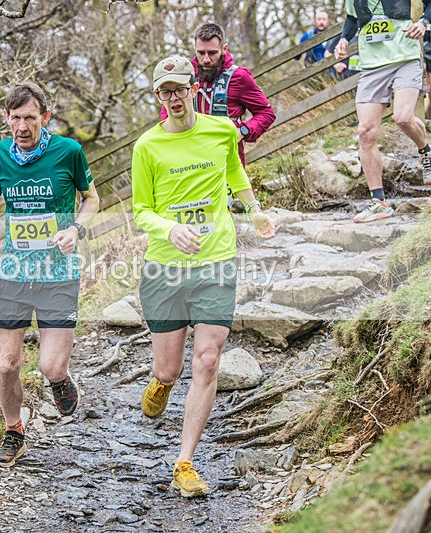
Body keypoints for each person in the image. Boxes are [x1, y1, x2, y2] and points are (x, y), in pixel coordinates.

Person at [0, 82, 99, 468]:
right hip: (13, 272)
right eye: (15, 118)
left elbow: (92, 198)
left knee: (51, 366)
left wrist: (76, 230)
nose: (22, 126)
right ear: (6, 118)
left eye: (30, 117)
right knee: (7, 363)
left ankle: (59, 379)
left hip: (58, 272)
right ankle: (14, 433)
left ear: (45, 117)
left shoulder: (68, 152)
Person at [134, 54, 275, 497]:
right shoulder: (147, 147)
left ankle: (185, 462)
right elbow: (141, 211)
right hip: (165, 266)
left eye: (180, 88)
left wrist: (253, 209)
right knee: (170, 368)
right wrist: (170, 229)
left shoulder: (222, 130)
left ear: (194, 88)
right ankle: (162, 381)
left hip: (215, 260)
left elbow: (234, 172)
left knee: (208, 360)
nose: (174, 97)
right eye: (165, 92)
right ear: (158, 96)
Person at [334, 0, 431, 222]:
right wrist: (344, 39)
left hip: (405, 57)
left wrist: (423, 22)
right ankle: (379, 203)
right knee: (365, 133)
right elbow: (352, 18)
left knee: (402, 118)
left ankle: (426, 151)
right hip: (371, 65)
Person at [160, 22, 276, 168]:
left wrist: (243, 131)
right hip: (190, 160)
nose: (206, 59)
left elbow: (266, 113)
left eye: (212, 53)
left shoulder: (239, 77)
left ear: (224, 49)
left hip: (228, 162)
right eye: (201, 53)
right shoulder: (184, 77)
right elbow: (167, 112)